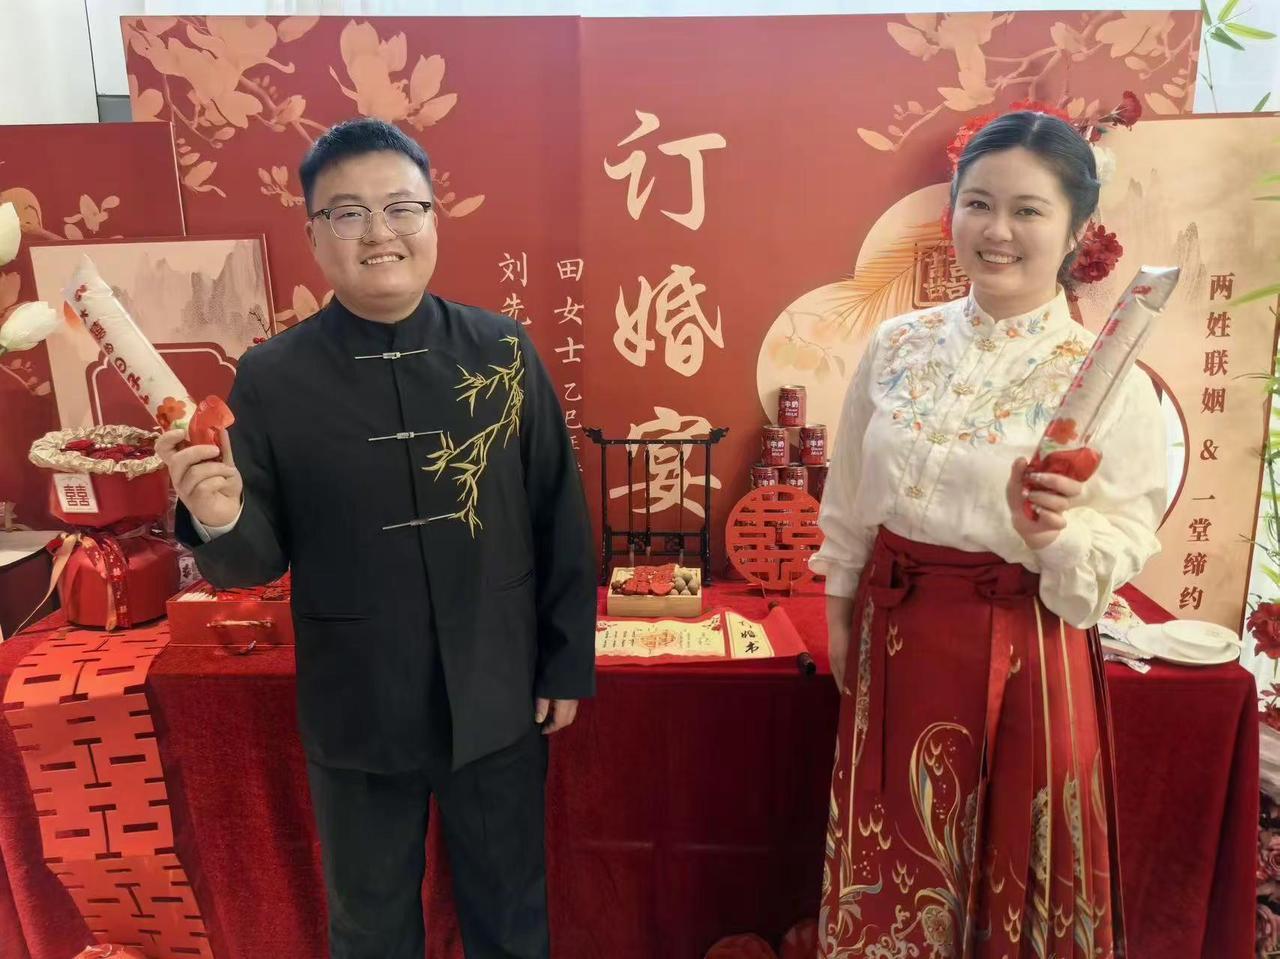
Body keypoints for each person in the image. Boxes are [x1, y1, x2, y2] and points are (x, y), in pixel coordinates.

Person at [156, 117, 596, 959]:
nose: (379, 232)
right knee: (369, 928)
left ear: (433, 218)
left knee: (511, 914)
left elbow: (558, 514)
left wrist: (564, 661)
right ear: (314, 235)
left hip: (498, 693)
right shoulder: (272, 377)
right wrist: (218, 516)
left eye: (401, 207)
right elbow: (256, 559)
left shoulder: (502, 352)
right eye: (349, 213)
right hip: (357, 706)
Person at [809, 111, 1166, 957]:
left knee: (1012, 886)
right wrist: (841, 607)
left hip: (1026, 647)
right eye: (978, 203)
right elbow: (851, 492)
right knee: (892, 863)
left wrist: (1053, 533)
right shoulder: (897, 345)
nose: (997, 230)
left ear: (1077, 231)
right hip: (897, 635)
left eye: (1028, 210)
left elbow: (1124, 533)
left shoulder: (1107, 379)